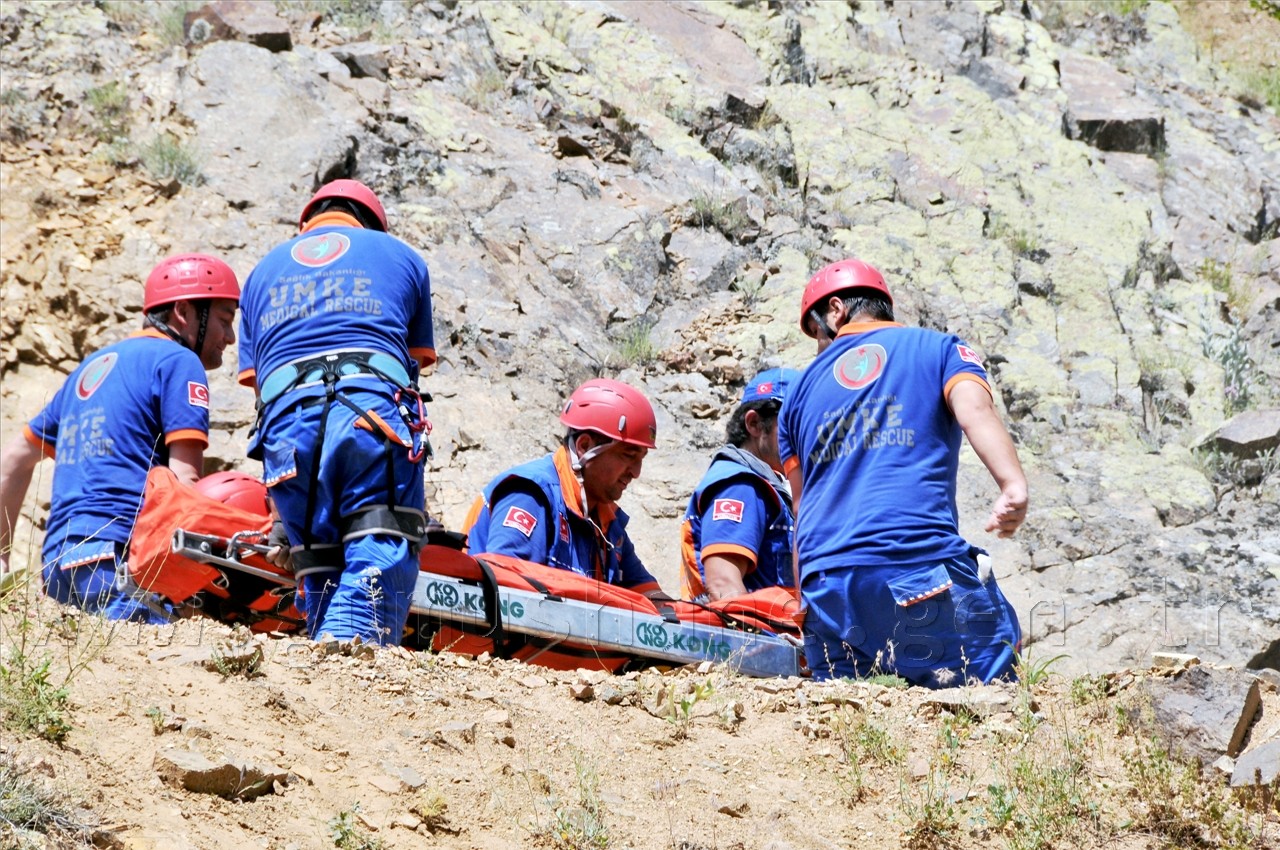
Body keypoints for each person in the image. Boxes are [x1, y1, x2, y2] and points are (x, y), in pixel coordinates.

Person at [778, 258, 1027, 687]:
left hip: (825, 591)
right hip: (913, 563)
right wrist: (1012, 483)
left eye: (815, 333)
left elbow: (802, 510)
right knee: (993, 683)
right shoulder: (938, 348)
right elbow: (974, 409)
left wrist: (806, 600)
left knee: (849, 729)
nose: (820, 348)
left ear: (836, 312)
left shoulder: (796, 396)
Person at [237, 178, 435, 645]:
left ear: (306, 224)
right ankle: (348, 656)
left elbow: (259, 386)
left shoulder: (261, 273)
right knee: (382, 535)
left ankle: (331, 672)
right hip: (368, 411)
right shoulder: (400, 255)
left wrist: (282, 514)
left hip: (285, 428)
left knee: (319, 561)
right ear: (373, 225)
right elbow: (413, 367)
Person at [0, 254, 240, 621]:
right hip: (122, 559)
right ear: (183, 311)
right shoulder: (177, 361)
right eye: (224, 320)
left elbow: (17, 456)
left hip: (58, 567)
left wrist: (2, 555)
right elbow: (184, 482)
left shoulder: (90, 368)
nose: (230, 337)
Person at [463, 379, 669, 600]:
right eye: (628, 456)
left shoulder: (606, 522)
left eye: (641, 459)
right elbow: (505, 586)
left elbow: (651, 597)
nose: (636, 472)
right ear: (584, 446)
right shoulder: (531, 495)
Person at [679, 368, 800, 602]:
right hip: (756, 637)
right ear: (754, 424)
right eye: (791, 423)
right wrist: (760, 637)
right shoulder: (742, 486)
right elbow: (724, 585)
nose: (802, 435)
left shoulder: (764, 486)